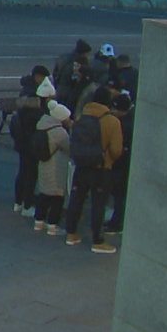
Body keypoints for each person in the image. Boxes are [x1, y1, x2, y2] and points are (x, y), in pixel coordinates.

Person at [64, 86, 123, 253]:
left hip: (82, 166)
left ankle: (71, 233)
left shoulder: (82, 117)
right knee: (98, 205)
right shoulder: (112, 121)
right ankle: (98, 241)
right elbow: (116, 150)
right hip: (102, 168)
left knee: (77, 199)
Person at [12, 69, 53, 216]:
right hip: (31, 143)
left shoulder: (25, 95)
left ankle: (18, 202)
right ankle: (27, 205)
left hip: (21, 141)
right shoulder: (36, 105)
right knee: (31, 174)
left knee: (23, 172)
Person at [33, 101, 73, 236]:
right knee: (57, 197)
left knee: (43, 194)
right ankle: (52, 225)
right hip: (57, 167)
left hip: (43, 165)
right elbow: (70, 148)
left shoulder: (42, 125)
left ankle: (38, 221)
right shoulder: (59, 132)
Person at [104, 93, 134, 235]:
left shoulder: (126, 125)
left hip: (122, 166)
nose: (113, 111)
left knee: (119, 196)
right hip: (123, 165)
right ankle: (116, 222)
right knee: (118, 196)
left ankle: (117, 223)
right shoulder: (128, 120)